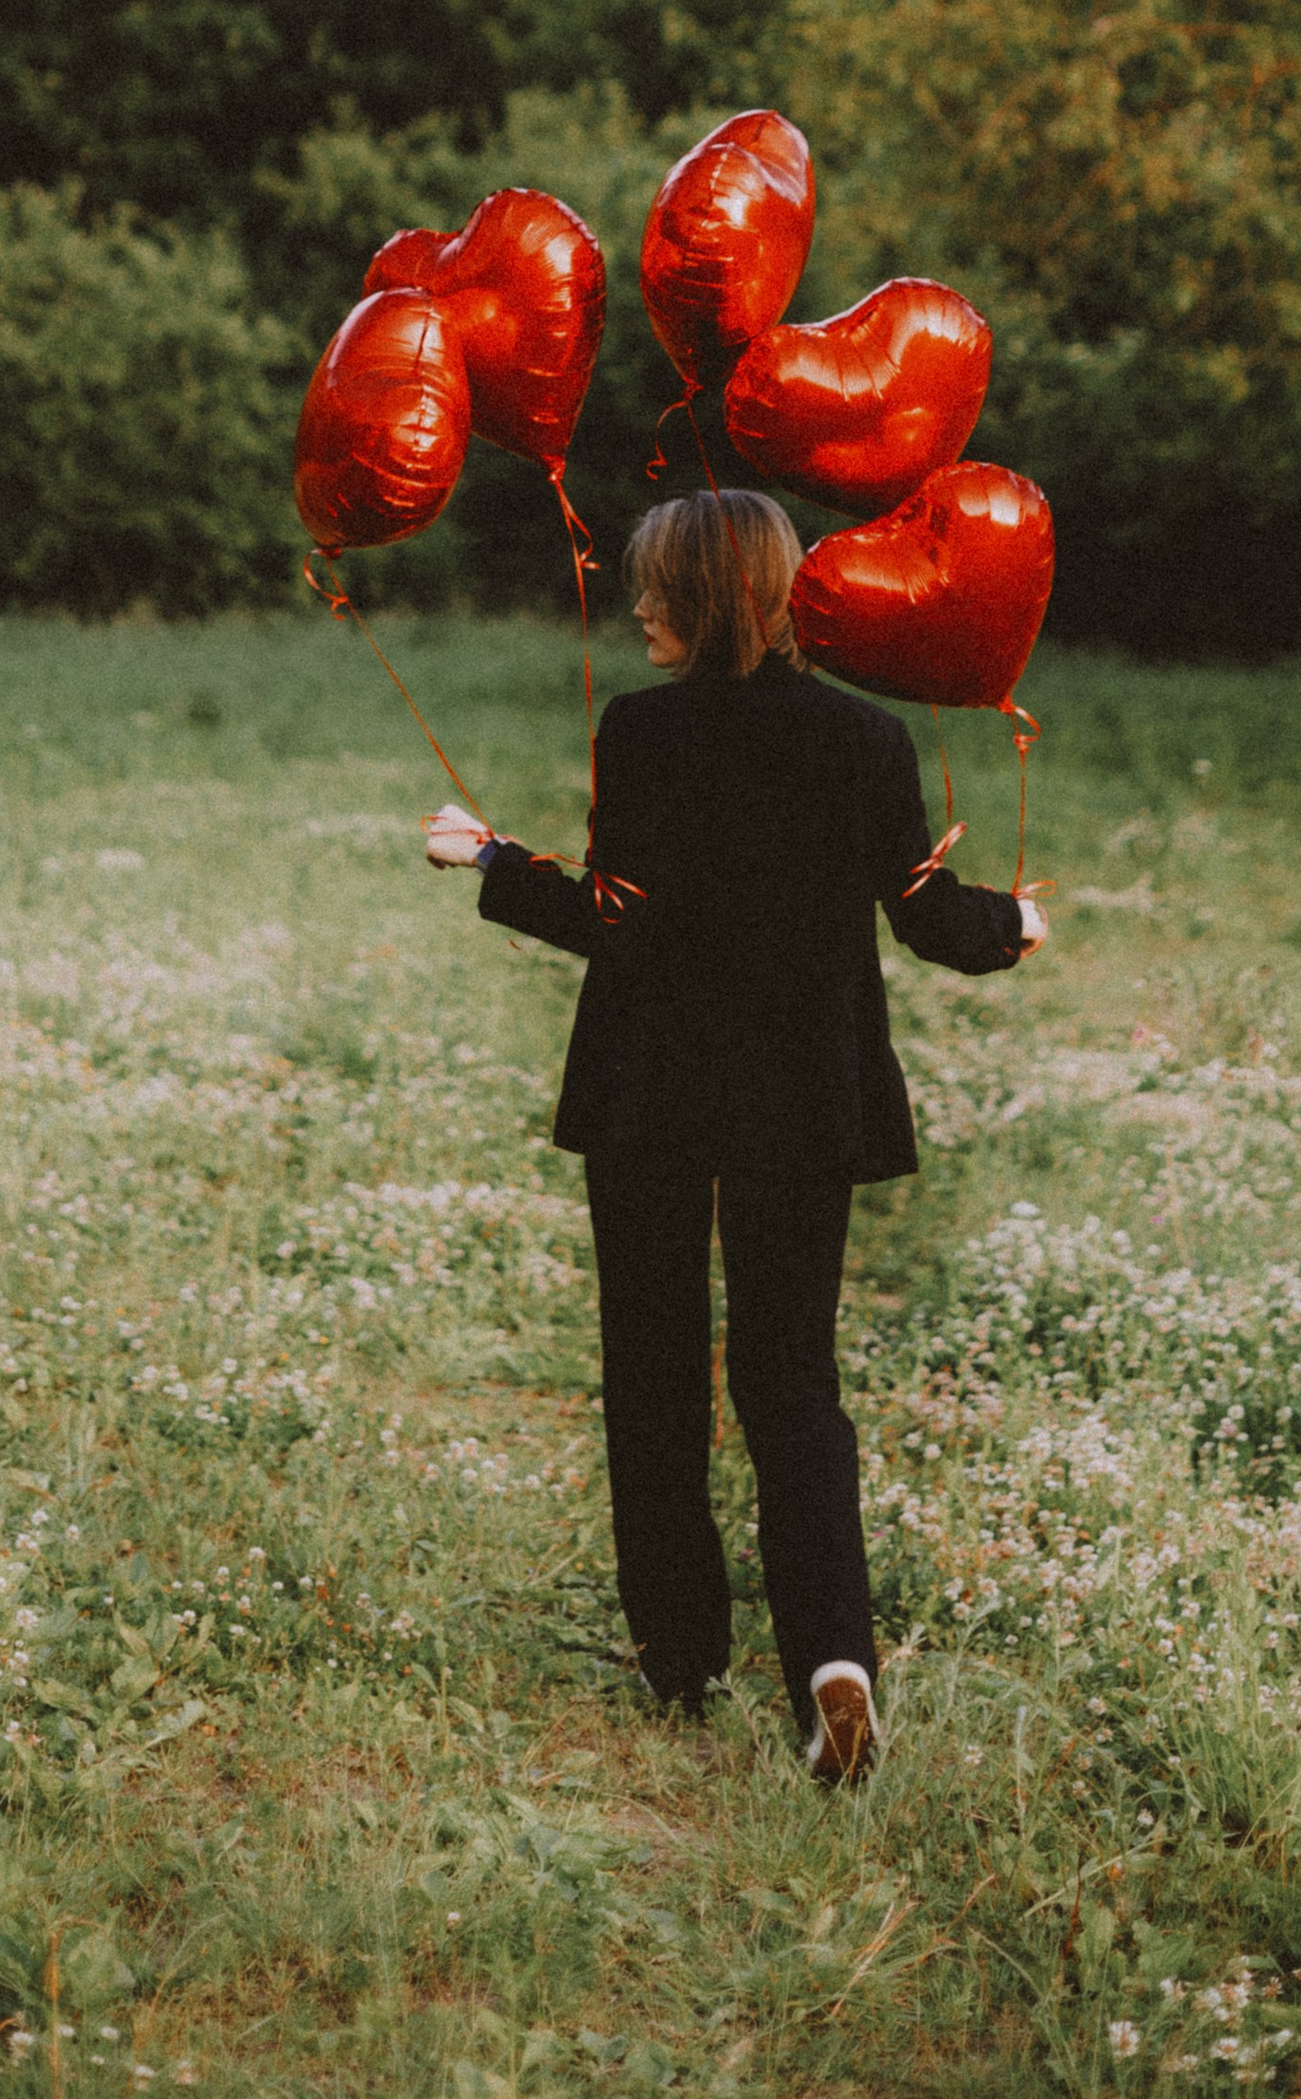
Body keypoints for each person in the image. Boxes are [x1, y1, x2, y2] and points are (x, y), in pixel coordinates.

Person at [421, 486, 1047, 1786]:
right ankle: (834, 1663)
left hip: (651, 1093)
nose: (637, 606)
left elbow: (614, 918)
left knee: (652, 1369)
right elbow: (929, 917)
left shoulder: (645, 732)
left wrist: (489, 860)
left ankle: (680, 1656)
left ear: (706, 602)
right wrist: (1017, 926)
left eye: (656, 588)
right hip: (805, 1099)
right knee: (792, 1384)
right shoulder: (868, 739)